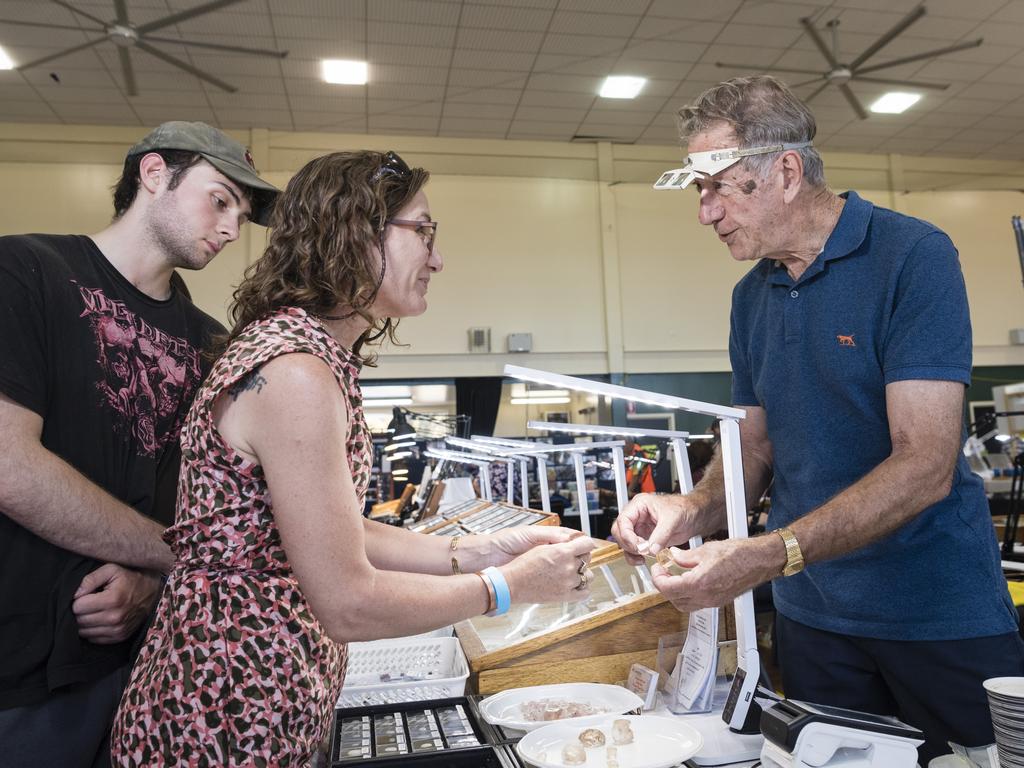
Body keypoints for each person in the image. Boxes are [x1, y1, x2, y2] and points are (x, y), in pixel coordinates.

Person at [110, 150, 596, 766]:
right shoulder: (295, 373)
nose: (437, 258)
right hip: (224, 710)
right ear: (355, 234)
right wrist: (507, 587)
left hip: (255, 694)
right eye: (423, 231)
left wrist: (473, 552)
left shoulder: (305, 354)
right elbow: (346, 600)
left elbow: (325, 528)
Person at [613, 75, 1024, 763]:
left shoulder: (912, 257)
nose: (705, 213)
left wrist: (770, 553)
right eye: (698, 193)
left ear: (786, 170)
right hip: (813, 622)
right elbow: (752, 448)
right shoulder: (753, 297)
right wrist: (692, 509)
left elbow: (923, 465)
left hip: (934, 612)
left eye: (715, 187)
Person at [0, 121, 279, 767]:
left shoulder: (214, 342)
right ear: (154, 174)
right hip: (20, 673)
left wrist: (154, 583)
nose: (233, 227)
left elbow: (203, 500)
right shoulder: (26, 272)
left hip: (153, 665)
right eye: (220, 199)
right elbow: (9, 465)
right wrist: (176, 561)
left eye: (241, 213)